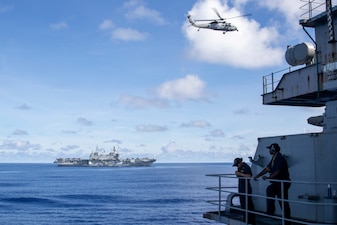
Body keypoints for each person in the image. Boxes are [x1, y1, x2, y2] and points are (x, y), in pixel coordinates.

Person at [254, 143, 291, 225]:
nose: (269, 150)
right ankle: (272, 212)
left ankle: (282, 218)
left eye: (270, 149)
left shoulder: (279, 158)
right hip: (278, 182)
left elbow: (278, 171)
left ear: (273, 149)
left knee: (281, 200)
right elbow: (267, 169)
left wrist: (268, 178)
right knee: (277, 196)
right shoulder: (274, 158)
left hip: (282, 183)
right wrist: (257, 175)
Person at [233, 157, 255, 225]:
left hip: (246, 188)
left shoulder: (245, 166)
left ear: (240, 163)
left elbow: (249, 175)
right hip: (242, 187)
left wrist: (240, 174)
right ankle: (246, 218)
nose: (237, 166)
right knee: (243, 204)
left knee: (248, 204)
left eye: (237, 165)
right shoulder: (240, 167)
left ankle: (250, 219)